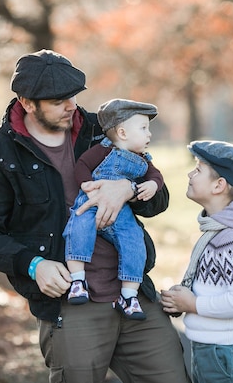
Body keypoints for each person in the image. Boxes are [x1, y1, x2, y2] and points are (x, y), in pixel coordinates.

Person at [0, 49, 191, 383]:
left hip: (134, 294)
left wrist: (127, 188)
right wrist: (33, 264)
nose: (71, 106)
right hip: (70, 304)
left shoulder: (105, 129)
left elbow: (159, 199)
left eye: (72, 96)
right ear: (27, 102)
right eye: (58, 101)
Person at [160, 140, 233, 383]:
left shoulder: (231, 239)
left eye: (198, 169)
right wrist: (183, 299)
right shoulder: (218, 232)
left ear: (219, 185)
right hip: (214, 350)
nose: (190, 173)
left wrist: (193, 304)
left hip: (226, 355)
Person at [63, 98, 163, 321]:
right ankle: (77, 280)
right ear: (123, 133)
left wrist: (152, 184)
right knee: (79, 225)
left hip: (122, 213)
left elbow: (156, 176)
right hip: (91, 202)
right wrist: (86, 184)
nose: (149, 135)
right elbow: (83, 165)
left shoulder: (143, 159)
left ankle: (128, 296)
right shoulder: (102, 150)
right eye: (144, 128)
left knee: (134, 240)